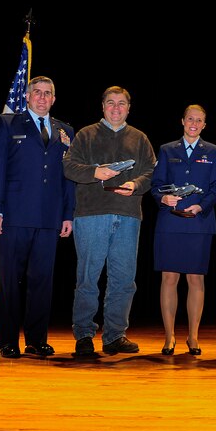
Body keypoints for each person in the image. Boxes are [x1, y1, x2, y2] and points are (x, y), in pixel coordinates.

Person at [0, 76, 75, 359]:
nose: (43, 98)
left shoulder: (65, 130)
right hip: (14, 216)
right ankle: (8, 340)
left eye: (48, 93)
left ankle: (36, 339)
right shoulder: (8, 124)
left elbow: (68, 177)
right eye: (37, 92)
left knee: (42, 281)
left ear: (54, 99)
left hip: (49, 218)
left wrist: (67, 214)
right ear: (27, 96)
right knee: (10, 280)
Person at [63, 86, 156, 356]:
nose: (116, 108)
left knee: (124, 279)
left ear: (129, 108)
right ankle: (83, 335)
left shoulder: (139, 138)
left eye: (121, 103)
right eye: (111, 103)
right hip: (92, 215)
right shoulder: (85, 135)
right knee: (88, 277)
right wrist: (95, 172)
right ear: (102, 106)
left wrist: (136, 183)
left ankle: (115, 335)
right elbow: (68, 166)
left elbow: (151, 172)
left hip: (127, 215)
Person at [151, 105, 216, 356]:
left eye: (199, 120)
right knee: (169, 278)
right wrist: (163, 198)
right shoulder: (166, 149)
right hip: (170, 222)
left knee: (196, 279)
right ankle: (169, 337)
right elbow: (156, 184)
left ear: (205, 124)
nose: (194, 123)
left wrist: (200, 206)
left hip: (199, 223)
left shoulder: (214, 152)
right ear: (182, 121)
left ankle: (193, 337)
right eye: (190, 119)